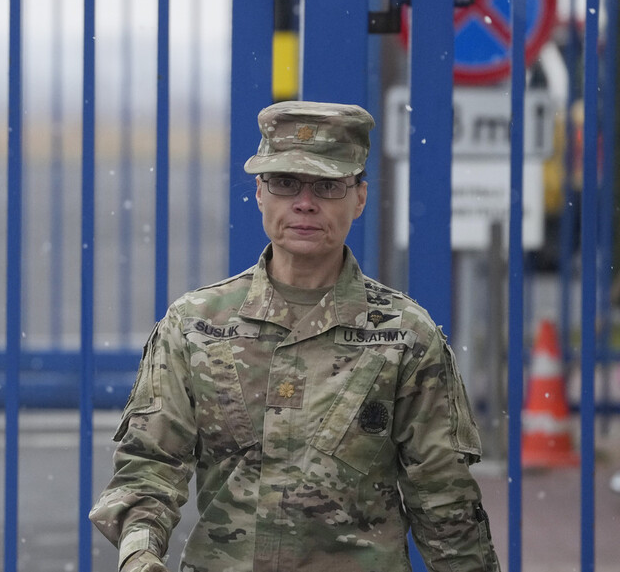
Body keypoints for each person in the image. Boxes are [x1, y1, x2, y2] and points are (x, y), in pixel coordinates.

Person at [90, 101, 501, 572]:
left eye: (328, 186)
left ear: (359, 198)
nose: (305, 203)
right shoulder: (197, 325)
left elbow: (444, 501)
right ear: (261, 195)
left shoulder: (405, 336)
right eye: (285, 183)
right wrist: (139, 554)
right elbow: (149, 467)